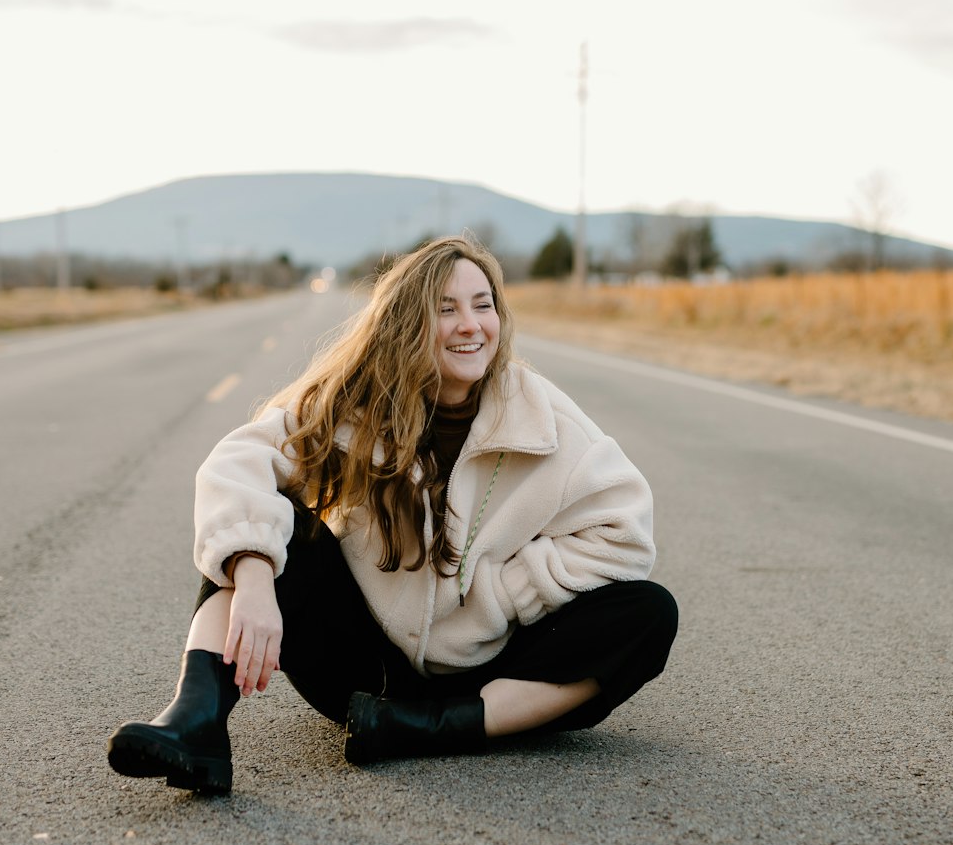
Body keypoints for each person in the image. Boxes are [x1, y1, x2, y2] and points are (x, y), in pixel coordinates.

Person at [107, 236, 678, 794]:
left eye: (484, 306)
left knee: (648, 612)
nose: (470, 325)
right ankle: (195, 720)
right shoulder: (352, 400)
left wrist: (507, 594)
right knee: (260, 524)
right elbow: (239, 462)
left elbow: (623, 532)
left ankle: (433, 729)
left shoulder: (538, 413)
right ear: (407, 323)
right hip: (361, 673)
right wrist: (255, 581)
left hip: (490, 676)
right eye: (446, 310)